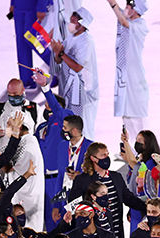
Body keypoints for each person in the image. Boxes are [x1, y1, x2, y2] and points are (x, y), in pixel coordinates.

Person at [52, 8, 99, 139]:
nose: (71, 19)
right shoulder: (71, 38)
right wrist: (57, 53)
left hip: (83, 92)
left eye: (75, 18)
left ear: (82, 23)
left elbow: (78, 67)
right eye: (72, 16)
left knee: (83, 125)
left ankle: (86, 153)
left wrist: (61, 53)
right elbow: (60, 59)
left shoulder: (87, 41)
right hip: (69, 89)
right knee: (70, 123)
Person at [108, 0, 150, 140]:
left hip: (135, 77)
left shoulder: (140, 25)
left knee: (137, 115)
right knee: (126, 113)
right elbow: (123, 18)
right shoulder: (130, 21)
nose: (125, 8)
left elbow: (124, 23)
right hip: (125, 76)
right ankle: (130, 148)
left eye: (128, 6)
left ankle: (144, 148)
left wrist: (113, 4)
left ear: (136, 9)